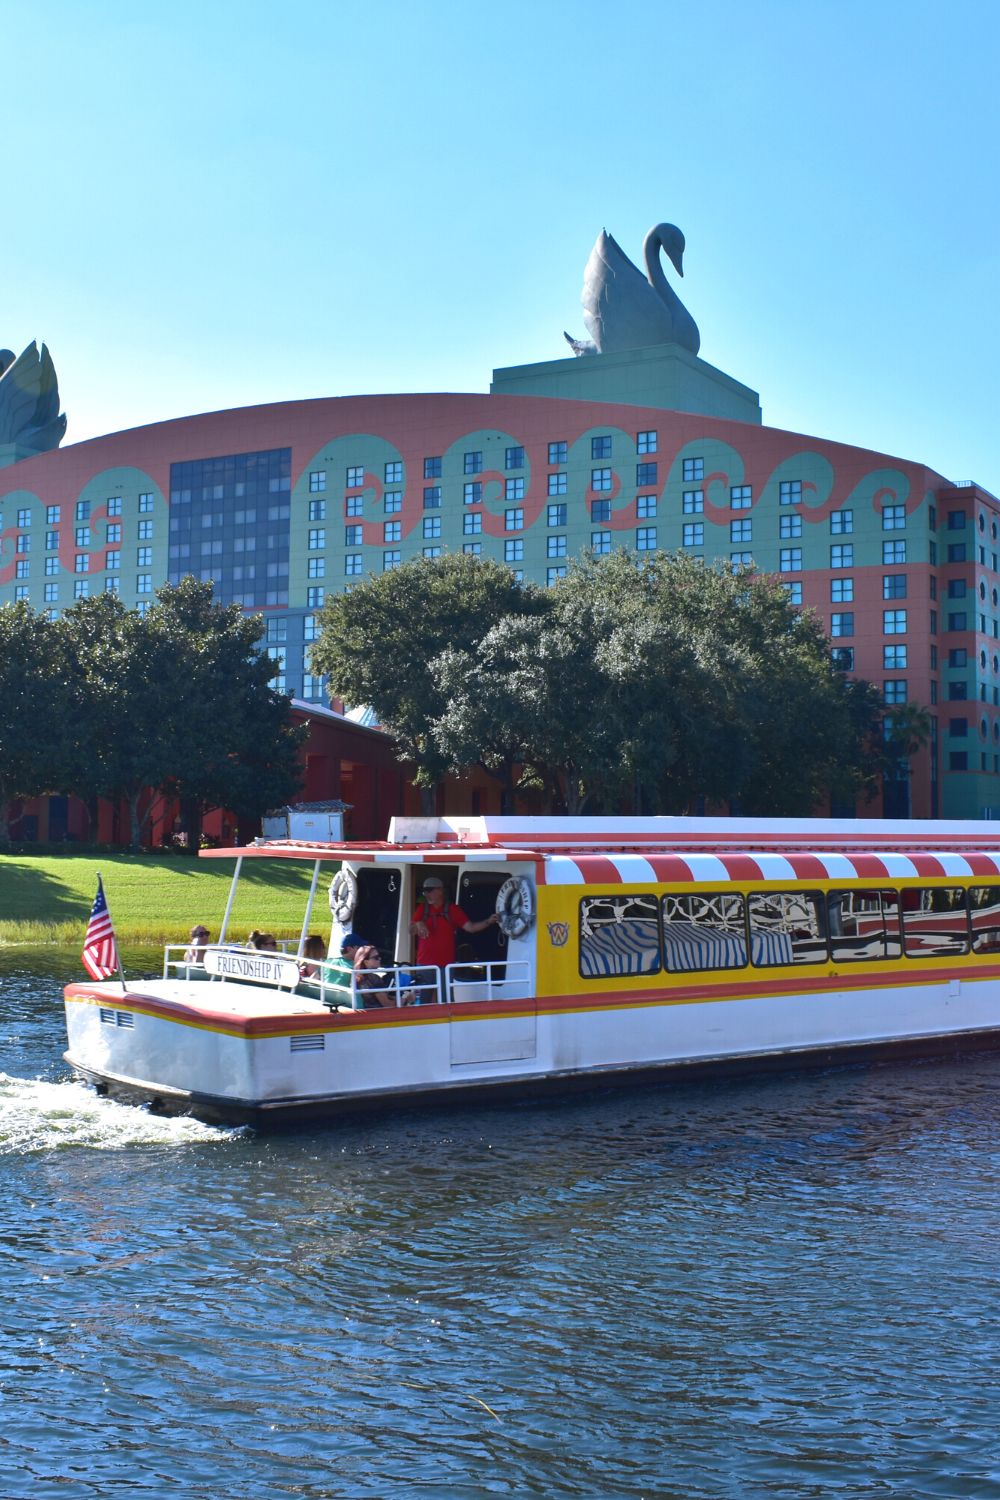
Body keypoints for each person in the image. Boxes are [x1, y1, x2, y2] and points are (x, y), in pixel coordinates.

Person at [409, 876, 498, 982]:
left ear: (440, 890)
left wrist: (488, 921)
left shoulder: (453, 910)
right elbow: (411, 931)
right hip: (424, 963)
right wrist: (418, 924)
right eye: (425, 892)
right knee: (424, 997)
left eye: (430, 891)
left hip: (446, 965)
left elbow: (471, 928)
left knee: (446, 997)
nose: (427, 894)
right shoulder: (422, 909)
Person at [340, 932, 393, 1008]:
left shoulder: (355, 978)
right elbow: (388, 1004)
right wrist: (407, 999)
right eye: (376, 957)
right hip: (376, 1014)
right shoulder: (373, 979)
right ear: (365, 961)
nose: (380, 959)